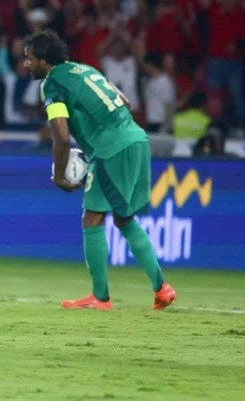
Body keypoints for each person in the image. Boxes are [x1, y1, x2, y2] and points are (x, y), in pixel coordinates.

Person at [24, 30, 176, 311]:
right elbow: (125, 102)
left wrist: (59, 175)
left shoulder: (52, 83)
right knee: (123, 219)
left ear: (44, 61)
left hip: (111, 149)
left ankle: (100, 297)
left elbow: (60, 136)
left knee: (92, 219)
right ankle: (161, 288)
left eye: (29, 58)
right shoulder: (84, 69)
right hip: (137, 140)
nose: (26, 65)